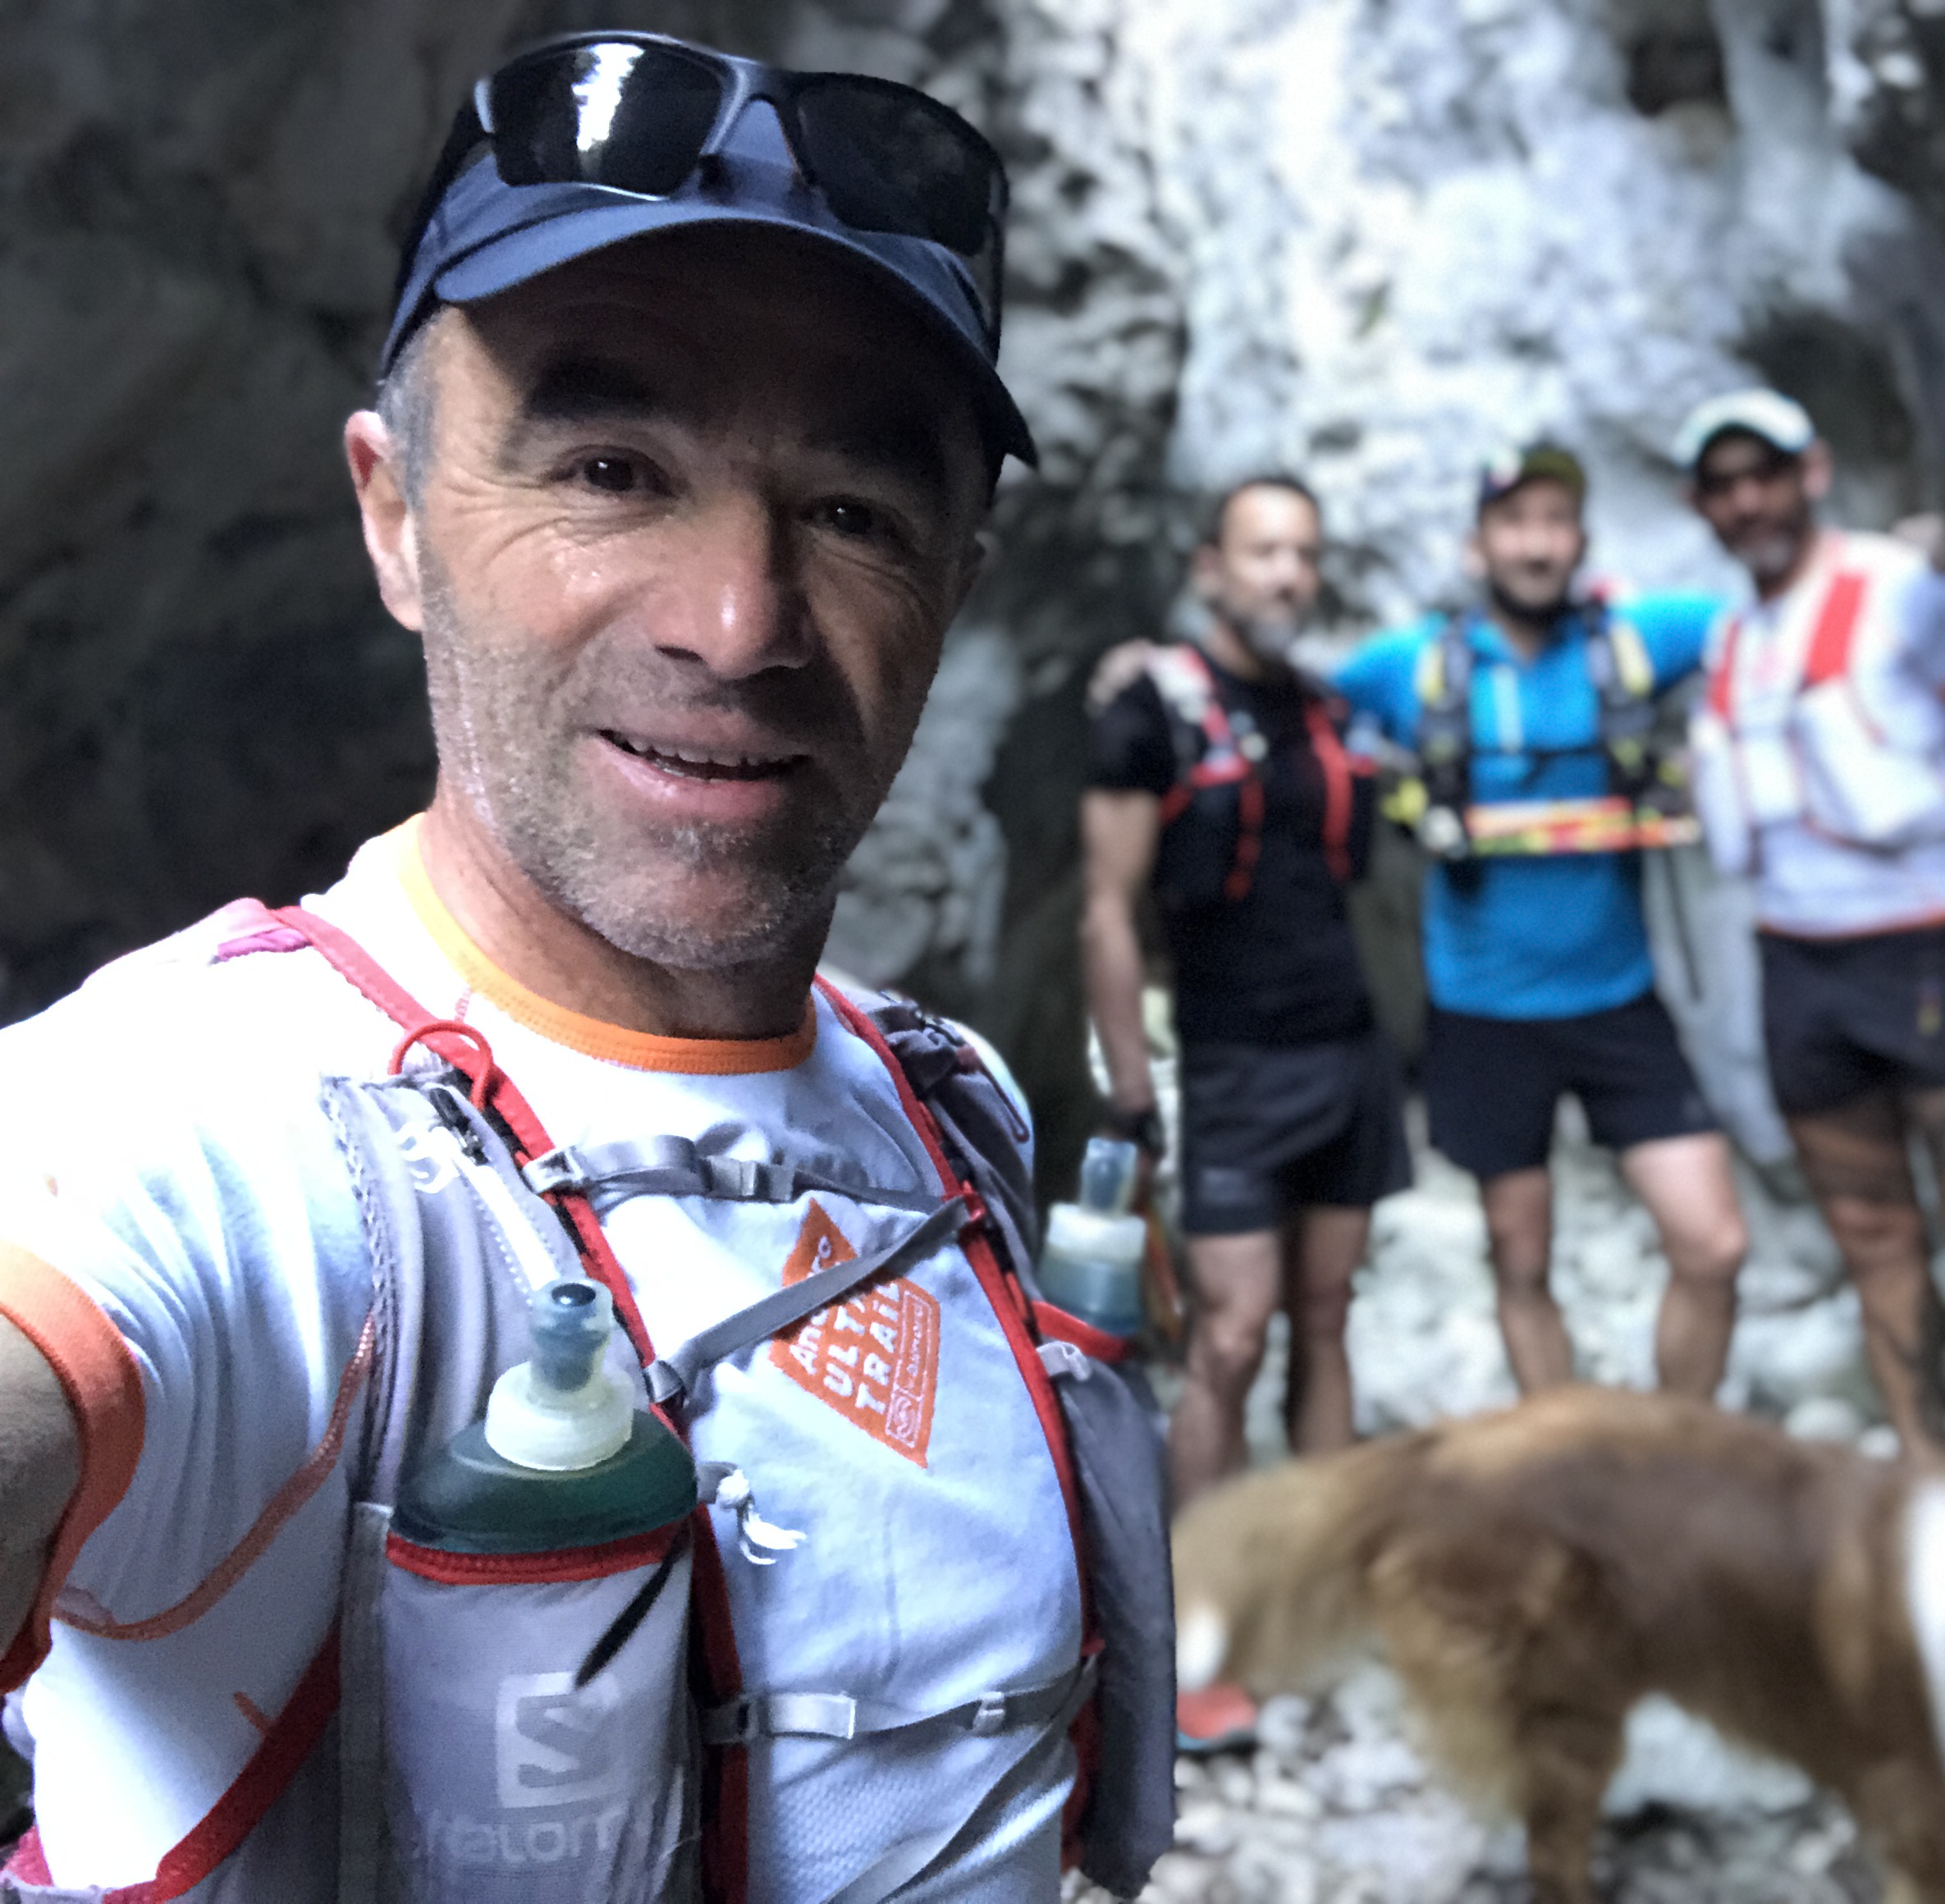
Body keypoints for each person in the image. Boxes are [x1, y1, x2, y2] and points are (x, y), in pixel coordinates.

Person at [0, 35, 1167, 1902]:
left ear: (956, 579)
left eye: (855, 514)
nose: (740, 623)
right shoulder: (197, 1127)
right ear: (394, 514)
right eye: (613, 470)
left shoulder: (946, 1108)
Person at [1677, 387, 1945, 1468]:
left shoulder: (1909, 597)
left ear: (1812, 473)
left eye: (1764, 475)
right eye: (1722, 487)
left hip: (1936, 947)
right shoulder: (1732, 640)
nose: (1747, 502)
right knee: (1873, 1241)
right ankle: (1929, 1486)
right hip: (1799, 966)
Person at [1080, 477, 1406, 1749]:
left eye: (1304, 555)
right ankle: (1199, 1618)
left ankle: (1318, 1590)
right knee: (1229, 1339)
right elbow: (1107, 911)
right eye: (1264, 552)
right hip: (1228, 1063)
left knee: (1327, 1316)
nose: (1286, 575)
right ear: (1209, 565)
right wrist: (1130, 1088)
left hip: (1346, 1052)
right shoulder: (1149, 712)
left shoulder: (1329, 707)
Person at [1335, 445, 1750, 1399]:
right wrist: (1156, 668)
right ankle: (1565, 1452)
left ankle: (1672, 1445)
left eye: (1555, 522)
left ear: (1581, 541)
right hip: (1482, 1011)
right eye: (1514, 523)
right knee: (1520, 1259)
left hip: (1618, 999)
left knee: (1714, 1244)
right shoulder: (1414, 666)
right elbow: (1283, 699)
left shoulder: (1634, 641)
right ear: (1476, 545)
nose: (1535, 545)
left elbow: (1769, 616)